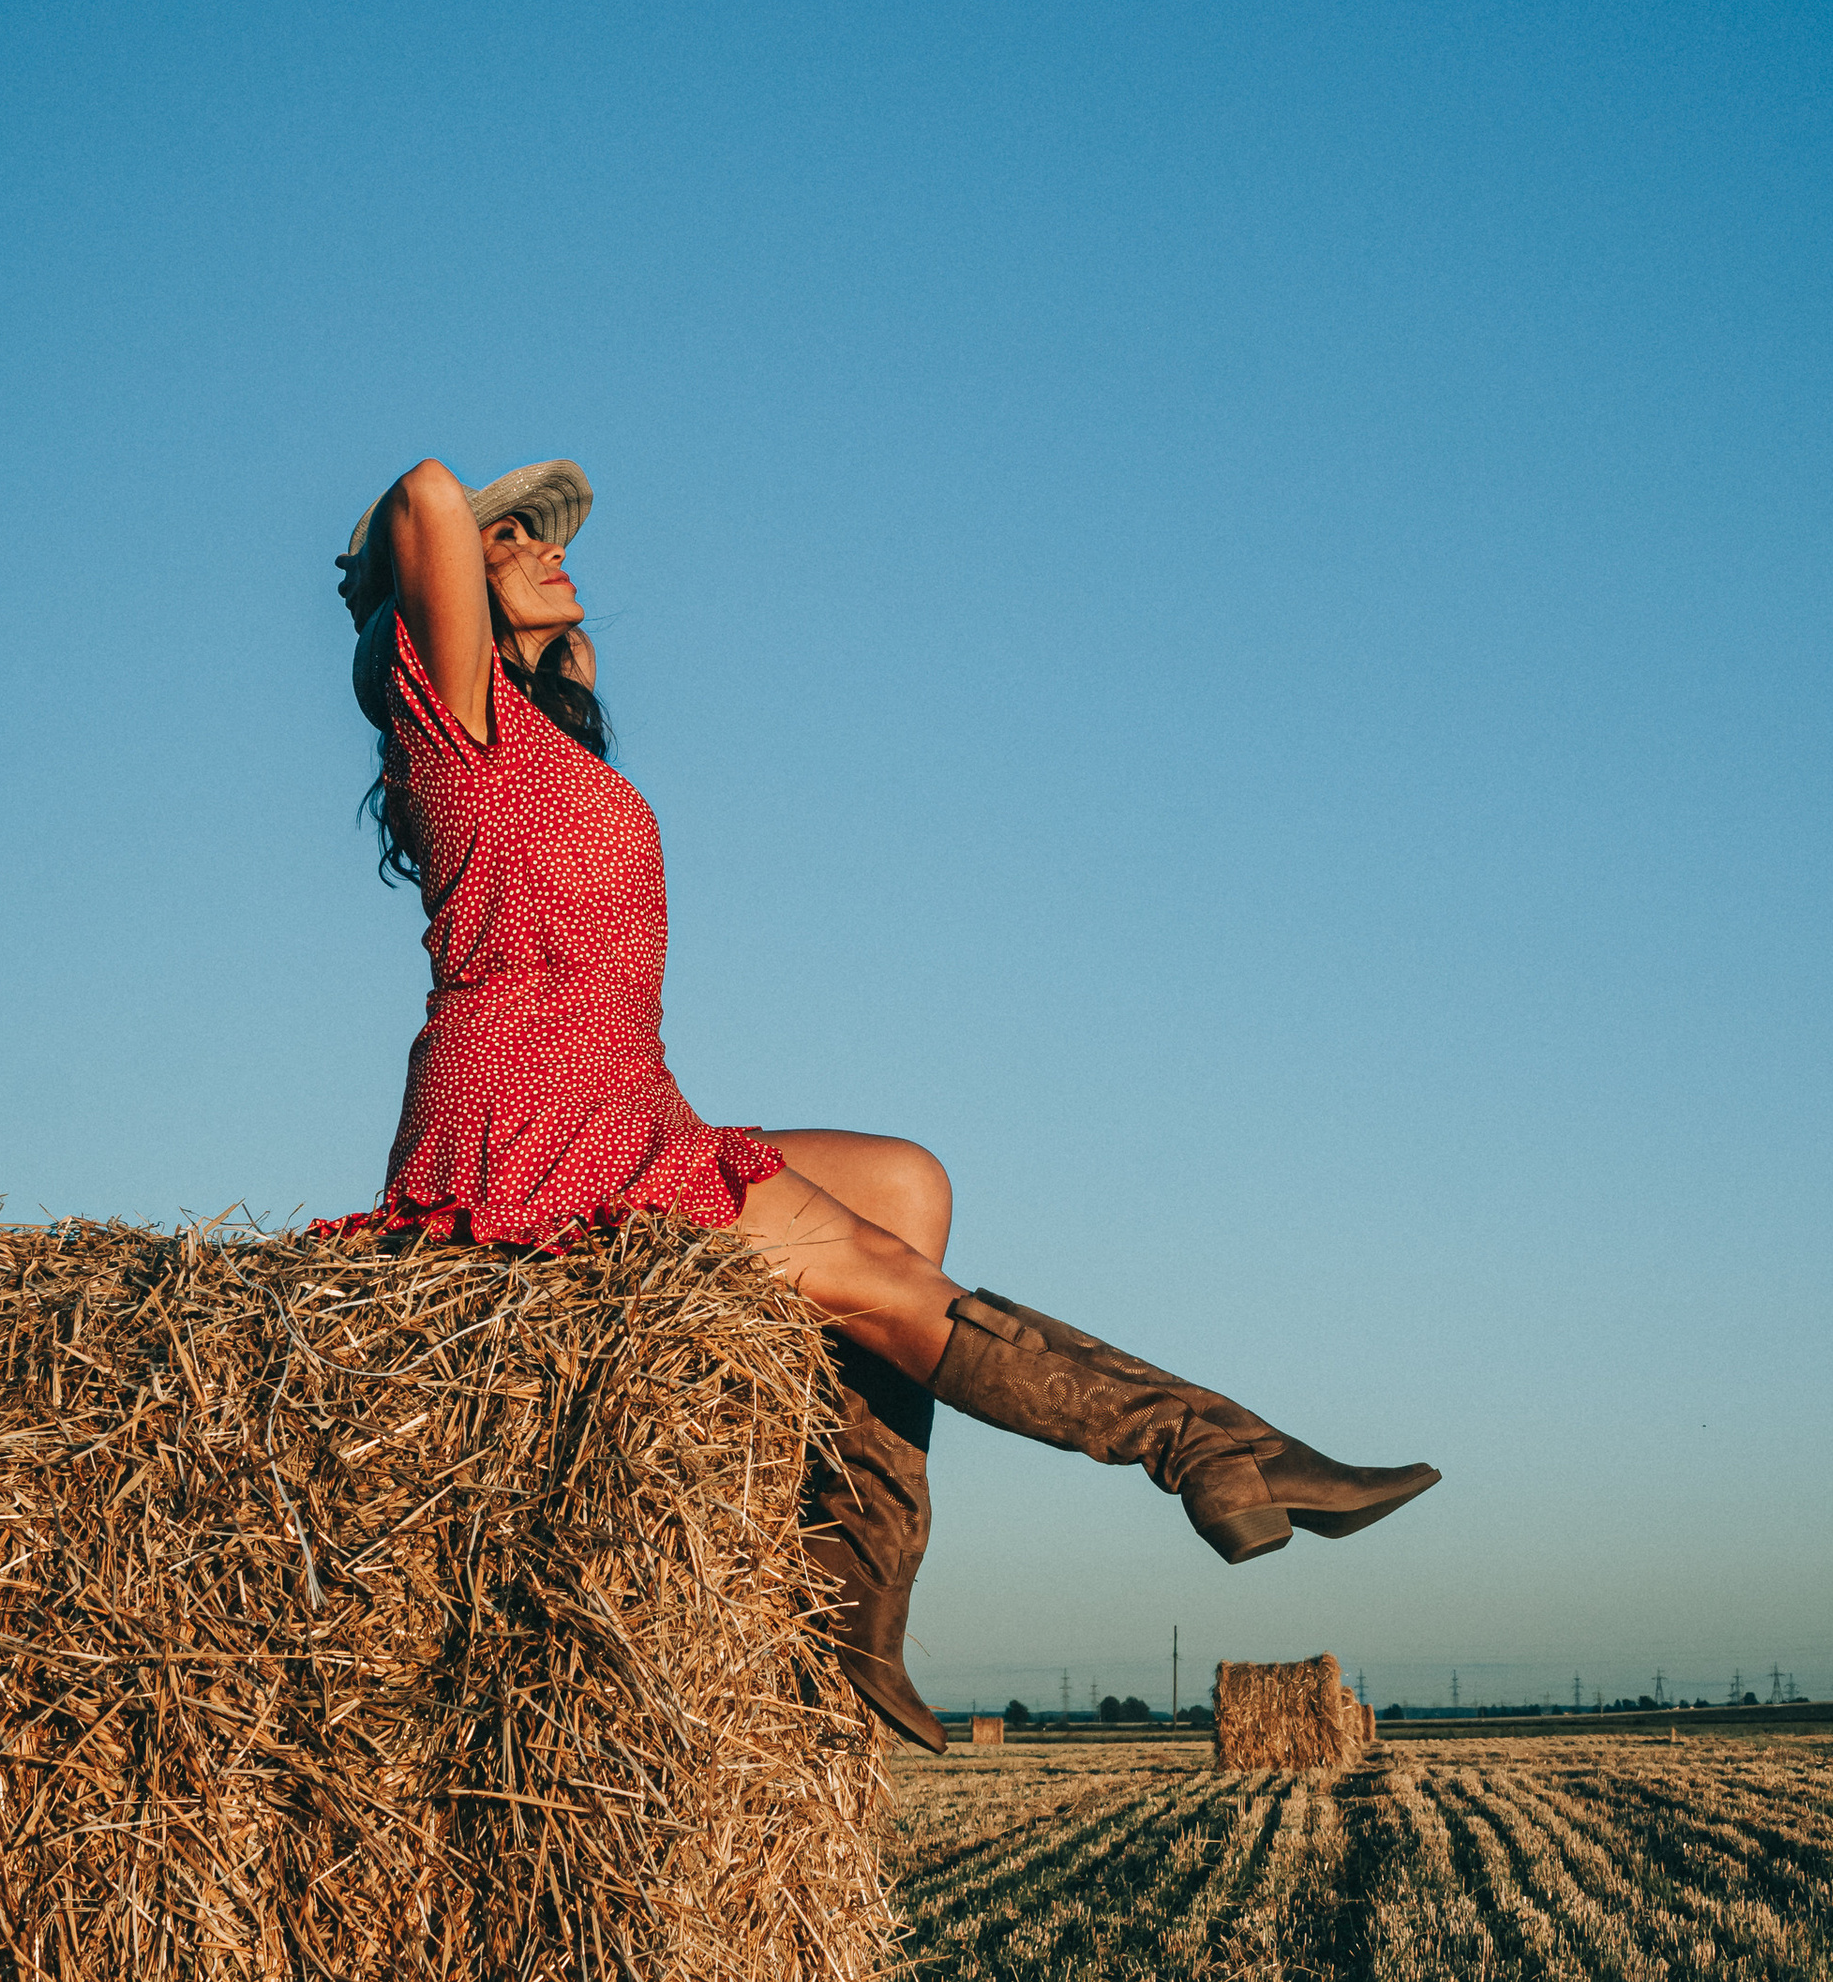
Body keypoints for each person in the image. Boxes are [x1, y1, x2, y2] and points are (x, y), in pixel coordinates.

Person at [331, 453, 1438, 1756]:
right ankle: (1209, 1451)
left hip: (627, 1092)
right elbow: (423, 492)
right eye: (515, 538)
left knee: (904, 1185)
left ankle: (857, 1594)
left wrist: (538, 613)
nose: (554, 548)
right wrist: (444, 561)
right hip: (530, 1115)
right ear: (442, 585)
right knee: (875, 1277)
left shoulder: (550, 746)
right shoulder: (448, 723)